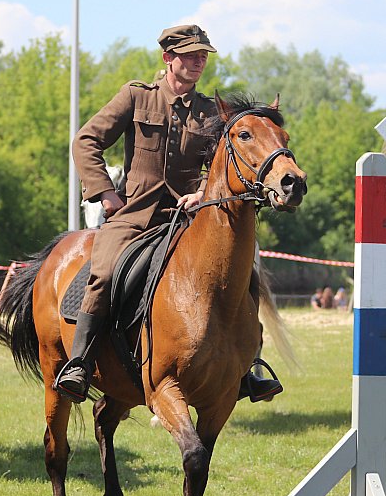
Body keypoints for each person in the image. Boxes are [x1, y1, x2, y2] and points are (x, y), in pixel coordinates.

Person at [53, 24, 282, 404]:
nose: (198, 62)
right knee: (105, 272)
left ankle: (247, 369)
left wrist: (200, 192)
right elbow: (86, 140)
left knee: (245, 278)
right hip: (135, 217)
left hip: (191, 218)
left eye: (202, 56)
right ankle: (79, 361)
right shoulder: (136, 97)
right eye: (190, 55)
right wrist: (104, 192)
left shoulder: (211, 110)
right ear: (168, 58)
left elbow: (225, 164)